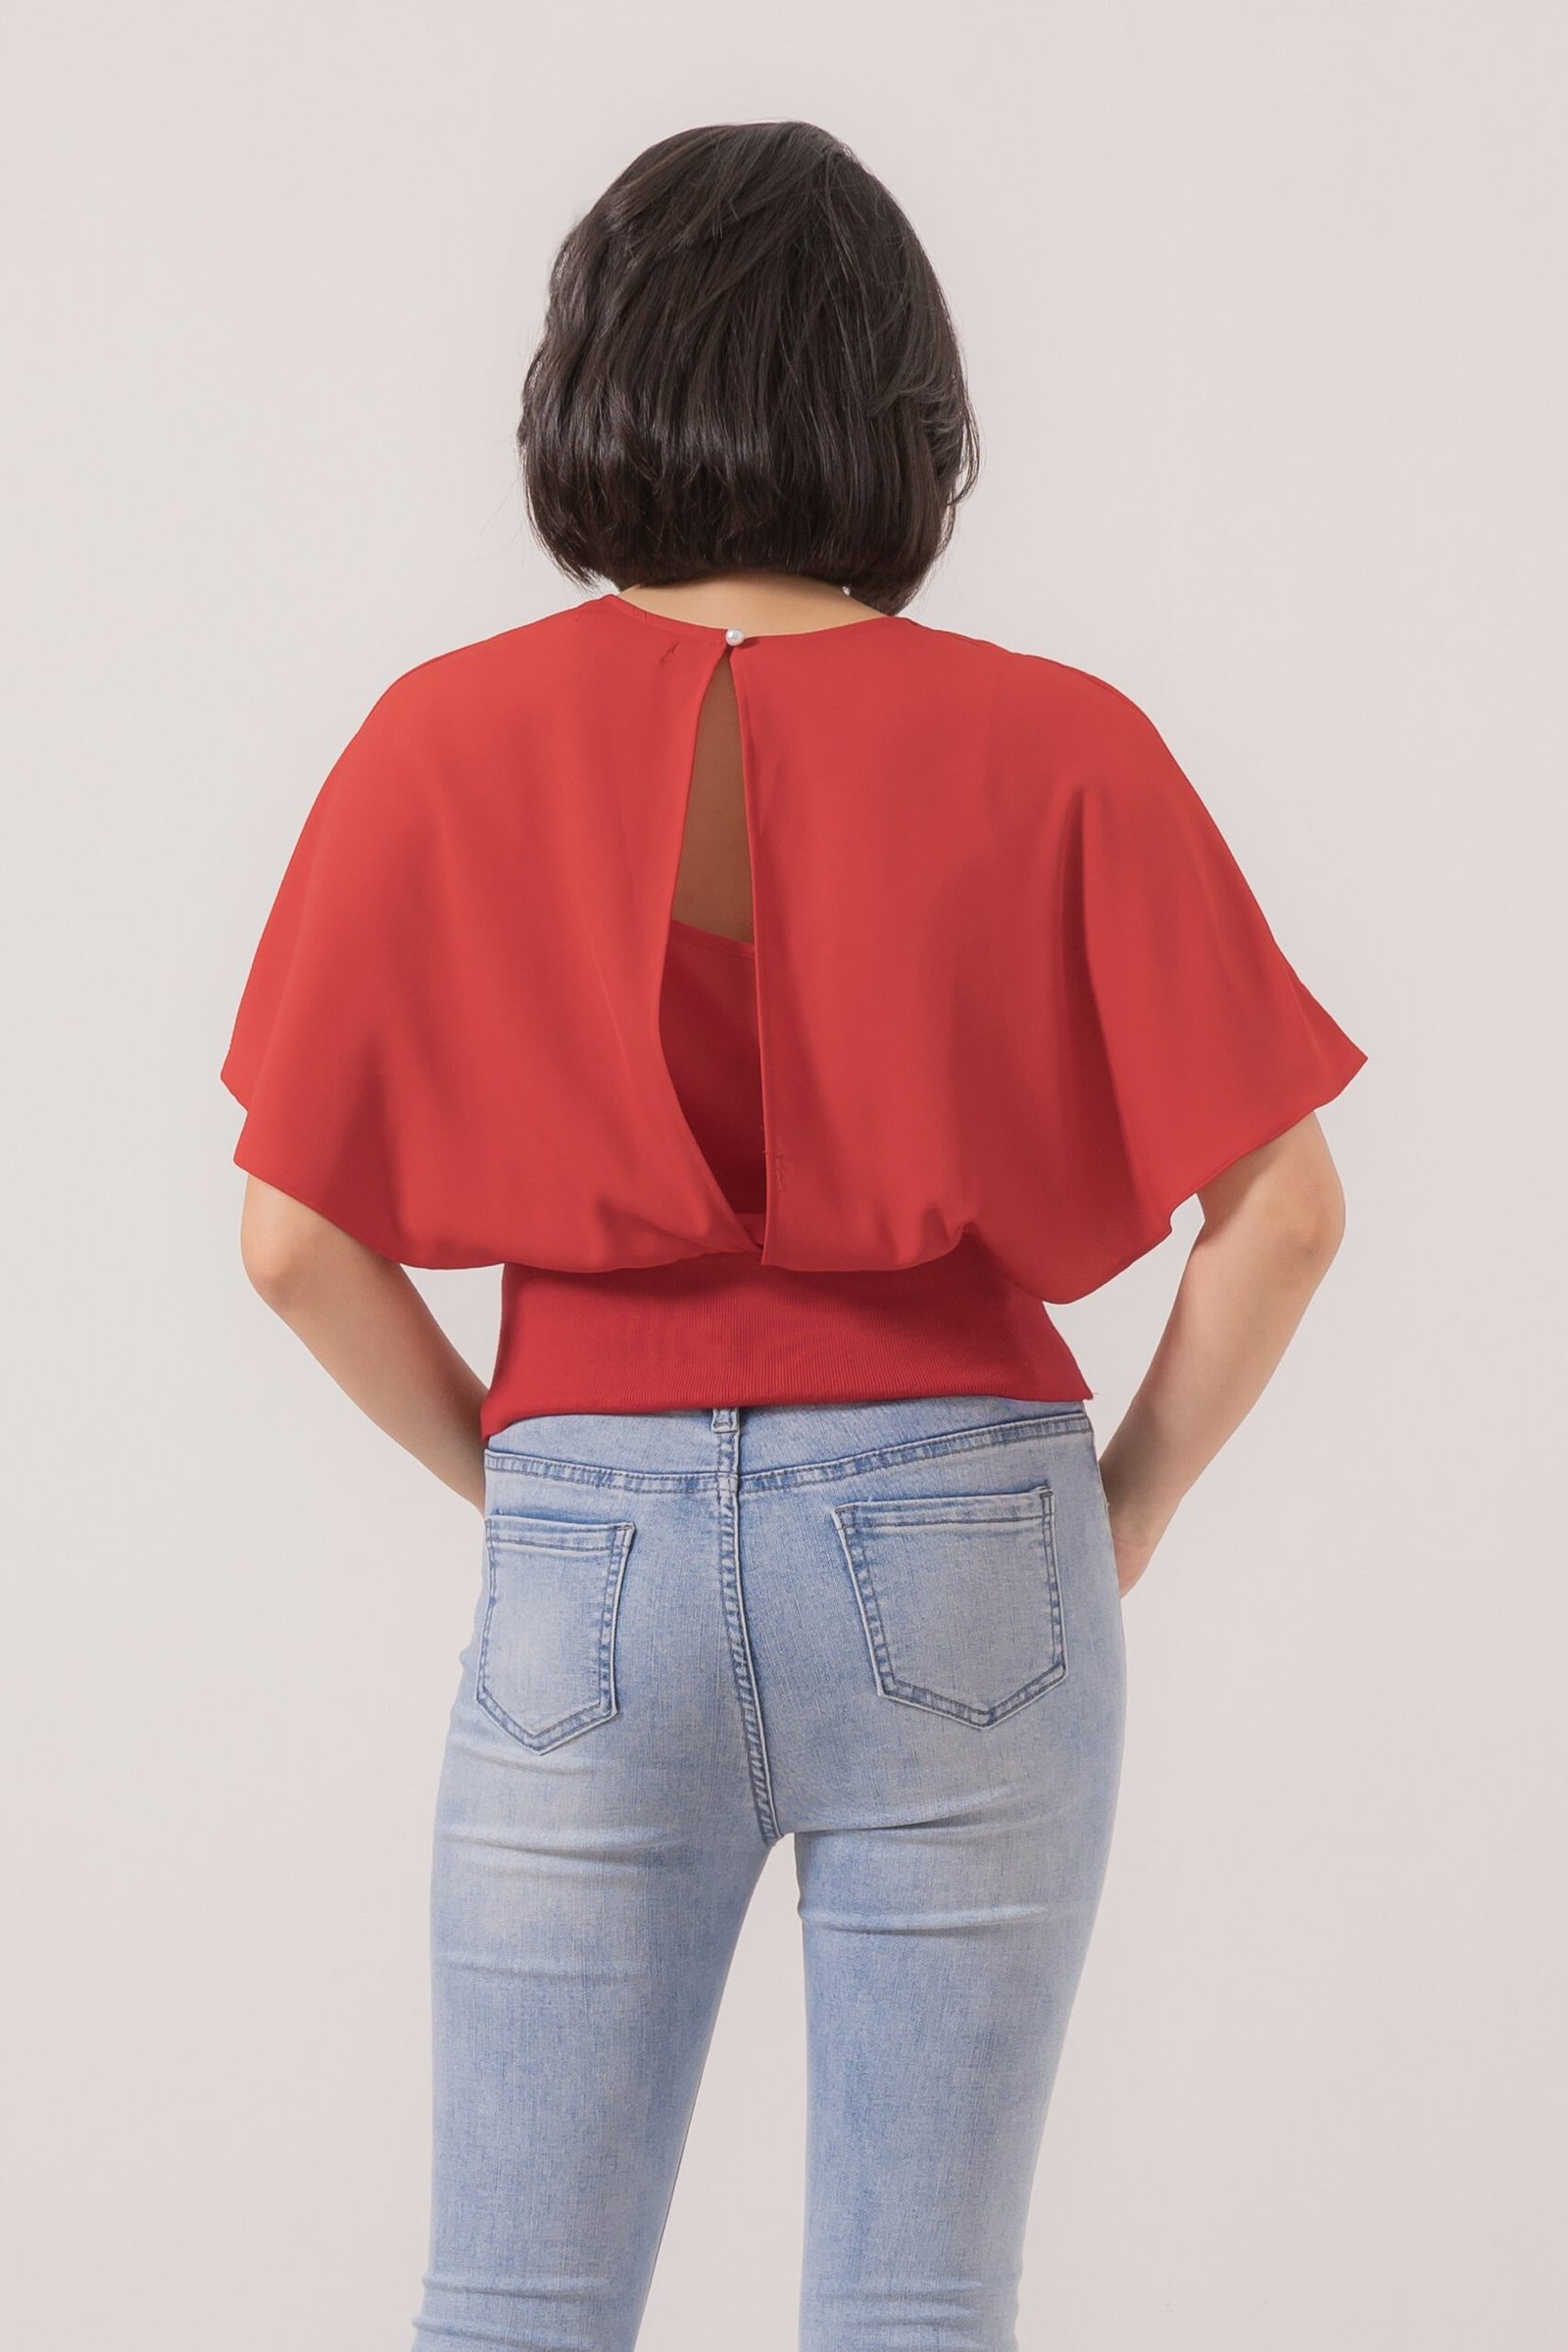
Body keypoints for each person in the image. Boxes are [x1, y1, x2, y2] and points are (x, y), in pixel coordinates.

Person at [220, 120, 1367, 2352]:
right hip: (970, 1524)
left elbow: (286, 1242)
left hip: (588, 1542)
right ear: (898, 404)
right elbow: (1286, 1213)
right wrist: (1117, 1508)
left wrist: (527, 1481)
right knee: (918, 2311)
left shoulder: (436, 740)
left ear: (592, 379)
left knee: (512, 2308)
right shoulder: (1060, 744)